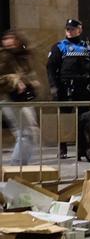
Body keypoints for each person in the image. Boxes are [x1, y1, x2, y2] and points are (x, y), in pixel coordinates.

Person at [46, 19, 90, 160]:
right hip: (65, 89)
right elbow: (51, 68)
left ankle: (84, 148)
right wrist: (53, 87)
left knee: (85, 120)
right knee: (65, 119)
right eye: (67, 29)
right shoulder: (60, 46)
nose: (69, 31)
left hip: (83, 89)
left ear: (79, 30)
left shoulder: (88, 48)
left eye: (72, 29)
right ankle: (63, 148)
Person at [0, 31, 40, 165]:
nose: (9, 41)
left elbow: (29, 73)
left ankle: (20, 166)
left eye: (12, 38)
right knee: (25, 134)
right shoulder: (2, 56)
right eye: (6, 38)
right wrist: (15, 80)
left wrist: (30, 82)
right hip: (8, 98)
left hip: (23, 98)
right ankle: (16, 167)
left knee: (31, 132)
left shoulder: (23, 55)